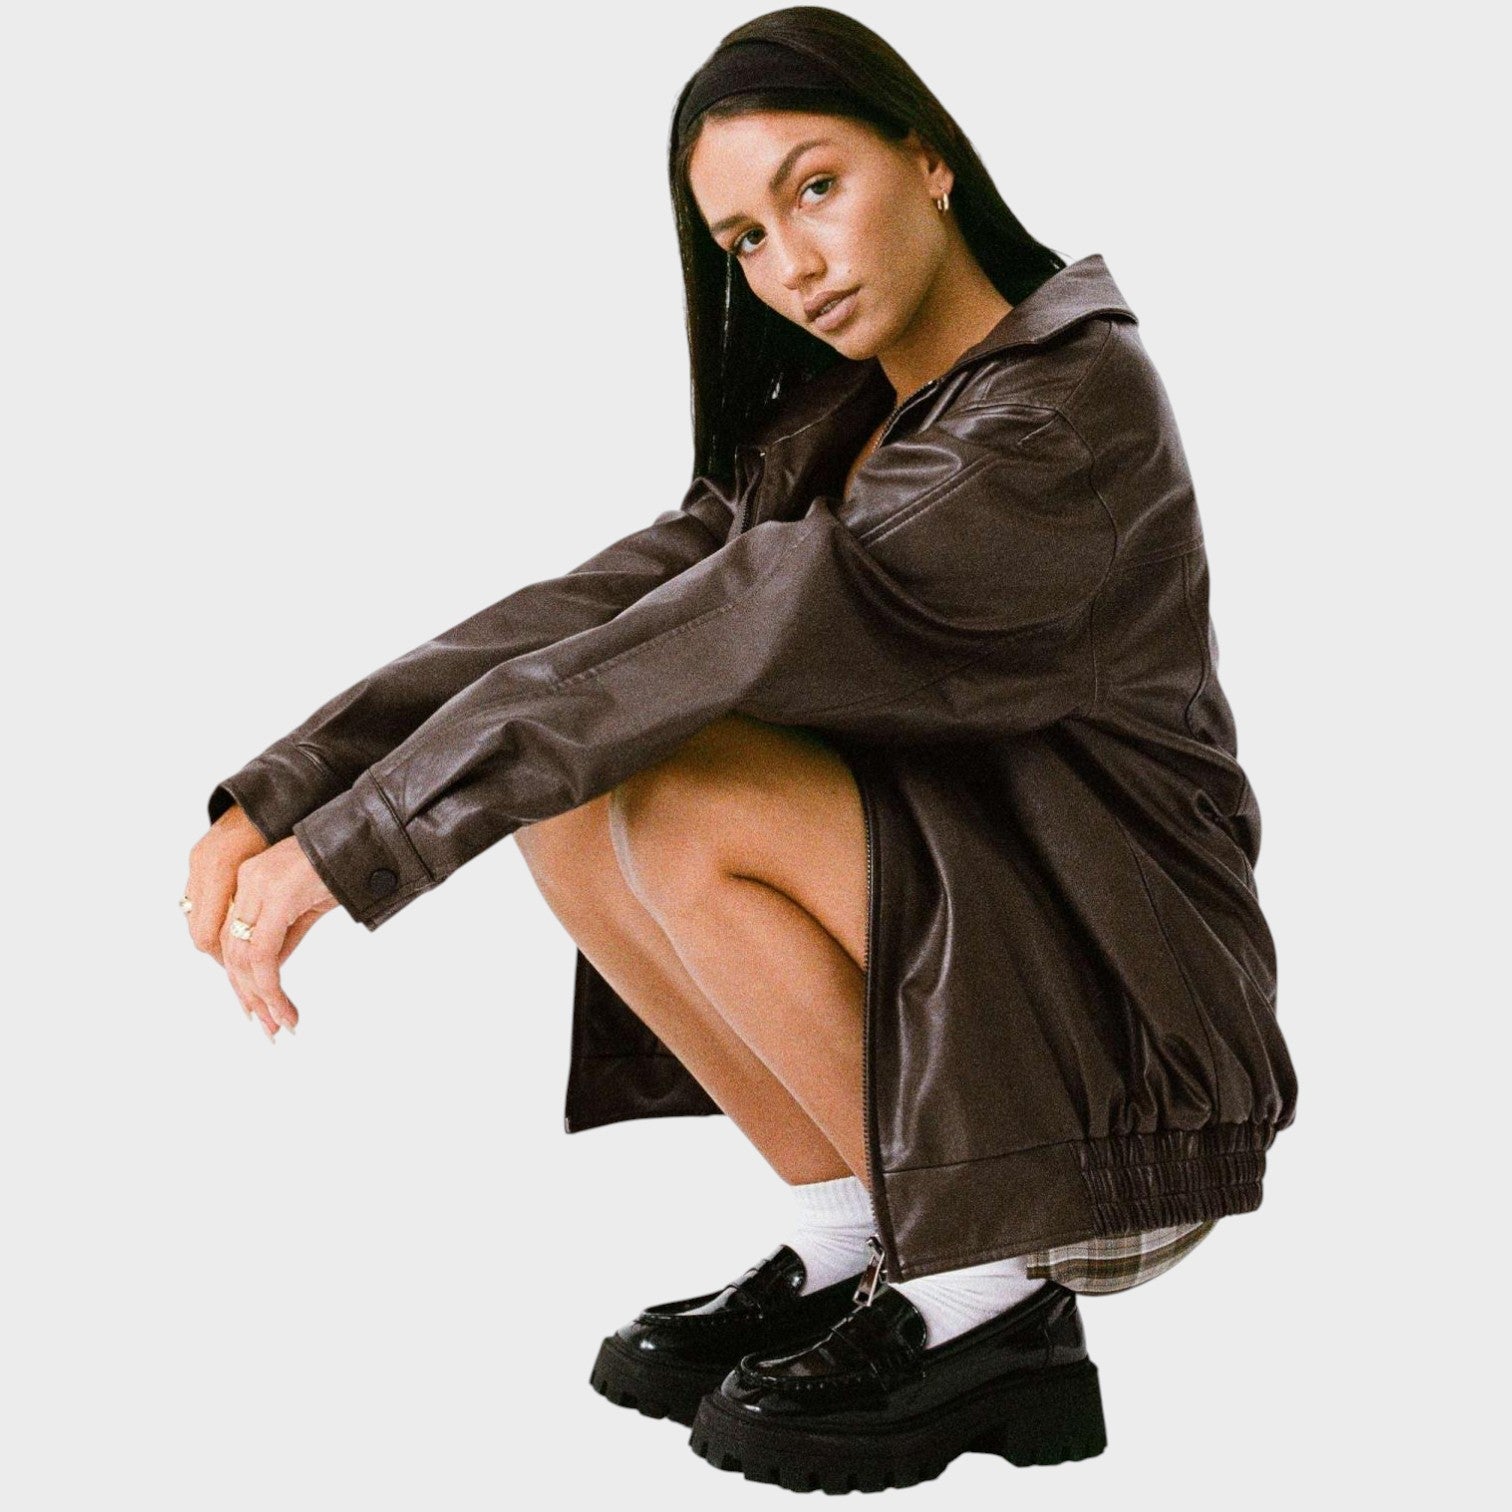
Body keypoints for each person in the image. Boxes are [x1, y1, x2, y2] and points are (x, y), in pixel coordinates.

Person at [182, 6, 1297, 1492]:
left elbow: (719, 634)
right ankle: (857, 1246)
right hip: (1003, 1013)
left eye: (816, 187)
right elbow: (602, 610)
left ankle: (989, 1301)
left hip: (1127, 1061)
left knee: (680, 778)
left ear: (930, 158)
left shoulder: (1051, 419)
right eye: (746, 240)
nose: (793, 264)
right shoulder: (846, 419)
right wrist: (292, 791)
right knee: (573, 798)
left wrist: (367, 848)